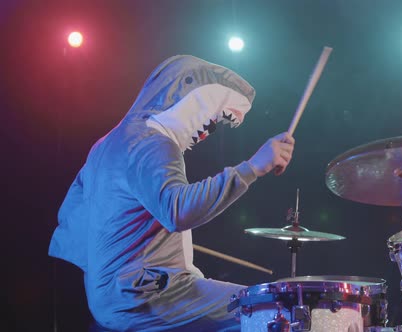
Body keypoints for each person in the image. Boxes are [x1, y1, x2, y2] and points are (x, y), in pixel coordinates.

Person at [48, 54, 295, 331]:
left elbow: (72, 217)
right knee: (276, 309)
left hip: (110, 295)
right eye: (212, 120)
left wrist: (115, 261)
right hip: (148, 295)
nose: (208, 131)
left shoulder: (106, 143)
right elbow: (177, 210)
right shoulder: (153, 142)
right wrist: (252, 168)